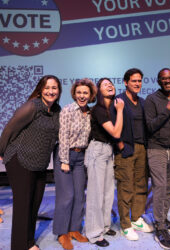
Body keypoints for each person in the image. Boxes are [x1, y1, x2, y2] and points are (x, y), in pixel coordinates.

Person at [0, 75, 62, 250]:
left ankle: (28, 242)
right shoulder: (32, 106)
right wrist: (1, 151)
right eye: (47, 87)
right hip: (19, 160)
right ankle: (20, 246)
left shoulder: (57, 111)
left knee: (34, 204)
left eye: (54, 88)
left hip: (40, 163)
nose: (51, 91)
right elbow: (10, 128)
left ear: (59, 91)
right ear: (40, 89)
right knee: (23, 205)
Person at [144, 67, 170, 249]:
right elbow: (150, 126)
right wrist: (167, 111)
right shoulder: (151, 100)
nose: (167, 81)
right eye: (164, 78)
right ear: (158, 81)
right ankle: (160, 228)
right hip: (157, 149)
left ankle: (163, 218)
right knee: (160, 188)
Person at [53, 78, 97, 249]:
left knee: (79, 195)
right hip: (65, 155)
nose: (82, 95)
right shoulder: (68, 110)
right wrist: (64, 160)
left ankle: (74, 229)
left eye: (85, 92)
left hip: (80, 157)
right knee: (67, 196)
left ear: (90, 94)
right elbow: (62, 137)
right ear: (74, 94)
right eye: (79, 92)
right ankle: (62, 233)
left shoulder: (91, 113)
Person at [110, 68, 153, 241]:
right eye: (134, 81)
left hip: (141, 148)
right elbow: (112, 125)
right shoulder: (118, 101)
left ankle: (136, 218)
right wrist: (120, 145)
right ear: (126, 82)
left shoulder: (143, 102)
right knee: (126, 187)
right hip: (125, 149)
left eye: (139, 81)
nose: (137, 84)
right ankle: (125, 224)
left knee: (141, 185)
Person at [85, 78, 124, 247]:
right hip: (97, 151)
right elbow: (116, 132)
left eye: (111, 83)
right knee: (96, 194)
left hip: (108, 151)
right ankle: (94, 233)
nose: (110, 86)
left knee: (108, 193)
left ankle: (105, 226)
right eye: (105, 84)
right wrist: (121, 111)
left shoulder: (111, 109)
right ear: (99, 91)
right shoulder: (99, 110)